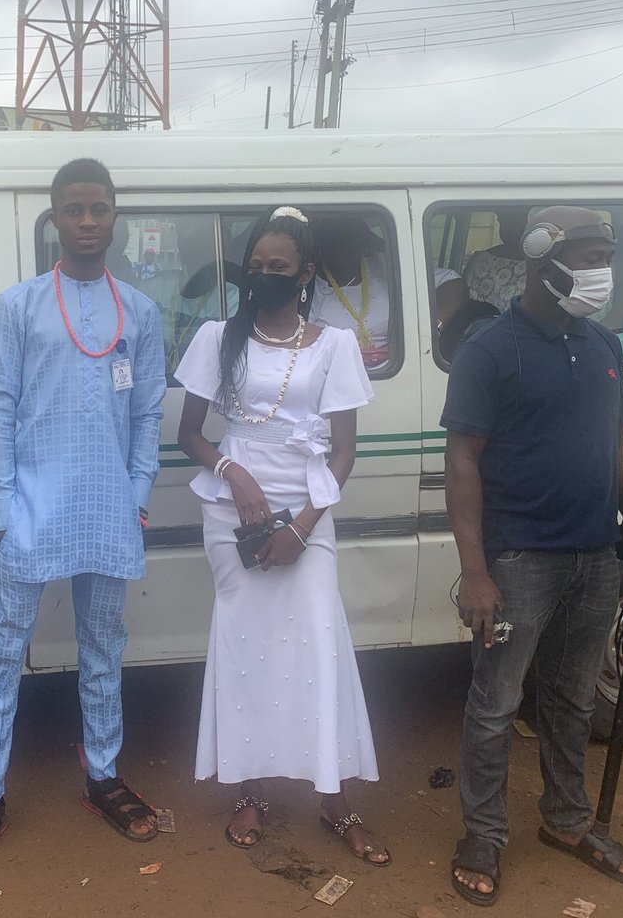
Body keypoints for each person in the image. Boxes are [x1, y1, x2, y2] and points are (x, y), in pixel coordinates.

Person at [0, 158, 166, 873]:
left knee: (104, 645)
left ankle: (104, 776)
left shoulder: (140, 311)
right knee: (4, 650)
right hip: (32, 510)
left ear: (115, 215)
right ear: (55, 219)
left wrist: (137, 493)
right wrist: (5, 506)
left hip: (108, 507)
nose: (88, 222)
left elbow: (148, 410)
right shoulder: (20, 306)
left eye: (99, 208)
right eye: (74, 210)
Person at [441, 206, 623, 907]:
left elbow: (620, 446)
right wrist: (475, 572)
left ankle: (567, 821)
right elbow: (461, 462)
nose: (602, 274)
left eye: (607, 259)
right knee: (496, 703)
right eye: (590, 259)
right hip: (516, 561)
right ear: (544, 263)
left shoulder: (603, 343)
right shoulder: (487, 350)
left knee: (573, 698)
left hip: (595, 556)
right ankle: (483, 835)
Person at [174, 206, 390, 864]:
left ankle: (334, 799)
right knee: (247, 650)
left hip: (308, 509)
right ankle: (251, 790)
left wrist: (301, 526)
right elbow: (190, 435)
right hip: (232, 511)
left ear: (304, 274)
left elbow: (343, 452)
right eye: (256, 266)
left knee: (318, 647)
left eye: (279, 266)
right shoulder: (217, 337)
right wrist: (233, 472)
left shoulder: (334, 345)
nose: (265, 274)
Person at [308, 217, 393, 368]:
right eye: (333, 235)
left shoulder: (383, 265)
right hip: (331, 371)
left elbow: (442, 282)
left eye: (349, 234)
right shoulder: (307, 282)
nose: (342, 242)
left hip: (394, 370)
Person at [462, 206, 530, 314]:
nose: (509, 227)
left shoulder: (538, 265)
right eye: (504, 221)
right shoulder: (480, 259)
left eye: (515, 221)